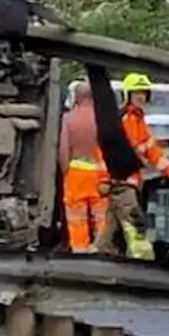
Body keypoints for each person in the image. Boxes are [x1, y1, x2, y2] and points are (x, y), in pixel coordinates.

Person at [92, 72, 169, 259]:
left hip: (125, 181)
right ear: (128, 95)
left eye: (144, 92)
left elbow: (149, 147)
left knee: (109, 230)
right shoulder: (125, 119)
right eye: (136, 92)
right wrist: (105, 179)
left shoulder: (137, 119)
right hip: (120, 182)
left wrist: (167, 168)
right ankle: (144, 261)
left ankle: (95, 260)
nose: (141, 96)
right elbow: (112, 151)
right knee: (136, 223)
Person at [59, 80, 108, 252]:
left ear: (77, 97)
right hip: (100, 175)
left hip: (76, 173)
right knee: (101, 218)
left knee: (76, 219)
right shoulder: (103, 118)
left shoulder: (69, 118)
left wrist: (66, 172)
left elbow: (63, 150)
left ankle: (80, 252)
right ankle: (102, 249)